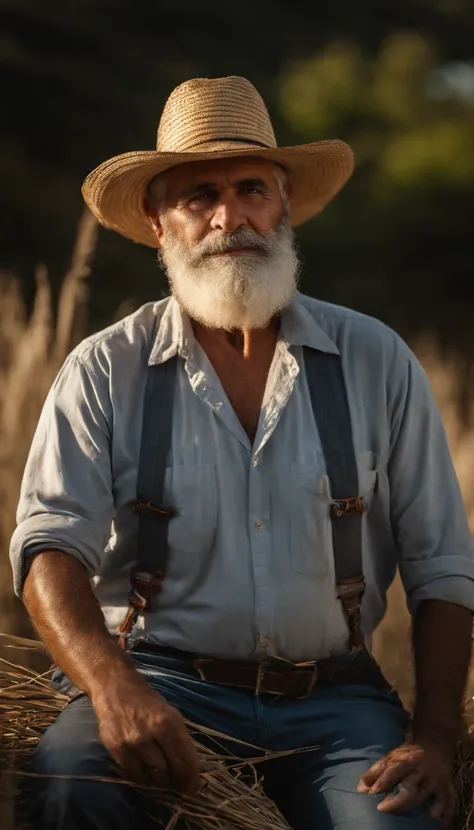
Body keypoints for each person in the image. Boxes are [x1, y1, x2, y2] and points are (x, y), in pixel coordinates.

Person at [10, 75, 474, 830]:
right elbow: (48, 546)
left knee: (396, 822)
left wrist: (435, 737)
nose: (232, 217)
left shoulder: (374, 359)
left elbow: (442, 564)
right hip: (161, 682)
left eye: (251, 188)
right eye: (199, 196)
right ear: (158, 223)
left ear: (284, 203)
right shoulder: (106, 367)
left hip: (337, 703)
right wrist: (111, 687)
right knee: (72, 784)